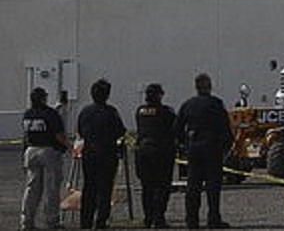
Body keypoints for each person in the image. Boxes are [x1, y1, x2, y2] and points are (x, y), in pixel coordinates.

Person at [175, 73, 233, 229]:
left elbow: (177, 129)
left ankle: (191, 220)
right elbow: (225, 129)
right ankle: (213, 219)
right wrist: (226, 147)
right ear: (210, 86)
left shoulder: (188, 105)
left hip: (194, 150)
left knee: (193, 186)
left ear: (196, 87)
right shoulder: (216, 104)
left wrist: (184, 145)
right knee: (213, 188)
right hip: (212, 150)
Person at [76, 78, 127, 230]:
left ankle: (85, 221)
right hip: (107, 153)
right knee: (105, 188)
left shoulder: (85, 112)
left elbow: (80, 130)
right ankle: (101, 221)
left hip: (89, 153)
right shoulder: (111, 112)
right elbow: (120, 131)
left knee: (89, 187)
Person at [21, 86, 68, 231]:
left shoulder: (27, 114)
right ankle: (52, 221)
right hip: (48, 151)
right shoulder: (50, 114)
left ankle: (26, 222)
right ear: (43, 98)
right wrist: (69, 146)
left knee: (32, 189)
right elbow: (58, 135)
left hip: (31, 151)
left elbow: (25, 136)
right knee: (51, 189)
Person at [135, 83, 177, 228]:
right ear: (159, 95)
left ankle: (148, 218)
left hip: (143, 152)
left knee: (147, 187)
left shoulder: (140, 111)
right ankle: (159, 218)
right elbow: (175, 129)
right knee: (162, 187)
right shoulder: (166, 112)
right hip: (161, 153)